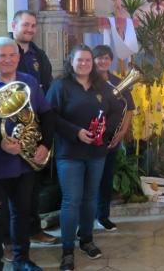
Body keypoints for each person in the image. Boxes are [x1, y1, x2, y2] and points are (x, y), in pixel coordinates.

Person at [0, 37, 55, 271]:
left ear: (18, 57)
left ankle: (22, 260)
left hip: (25, 164)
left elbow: (46, 114)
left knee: (22, 214)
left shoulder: (29, 81)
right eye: (2, 55)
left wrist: (45, 145)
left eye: (12, 55)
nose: (8, 60)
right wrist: (1, 143)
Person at [45, 45, 117, 271]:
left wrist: (104, 132)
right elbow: (50, 116)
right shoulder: (60, 86)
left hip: (96, 152)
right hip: (70, 153)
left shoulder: (101, 86)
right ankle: (67, 250)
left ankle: (86, 239)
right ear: (71, 61)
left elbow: (116, 111)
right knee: (71, 200)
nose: (84, 64)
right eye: (80, 60)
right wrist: (76, 132)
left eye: (88, 60)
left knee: (90, 198)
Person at [9, 10, 58, 247]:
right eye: (25, 25)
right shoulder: (5, 51)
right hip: (12, 128)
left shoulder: (39, 55)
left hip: (36, 126)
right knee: (12, 186)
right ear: (14, 25)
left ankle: (34, 229)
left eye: (33, 26)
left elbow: (47, 88)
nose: (29, 29)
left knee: (34, 182)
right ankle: (10, 240)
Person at [92, 45, 135, 232]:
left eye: (106, 58)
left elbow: (130, 108)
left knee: (106, 178)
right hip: (90, 139)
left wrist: (123, 131)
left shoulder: (118, 82)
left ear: (111, 61)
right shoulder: (87, 81)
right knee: (89, 181)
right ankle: (85, 219)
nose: (103, 61)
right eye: (99, 58)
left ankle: (103, 217)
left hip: (111, 139)